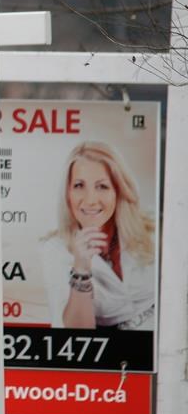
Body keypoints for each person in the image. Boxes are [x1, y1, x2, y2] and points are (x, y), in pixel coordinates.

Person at [40, 141, 156, 330]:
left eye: (102, 186)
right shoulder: (55, 250)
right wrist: (81, 269)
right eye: (79, 185)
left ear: (118, 190)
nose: (91, 200)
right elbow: (76, 334)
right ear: (67, 193)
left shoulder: (152, 230)